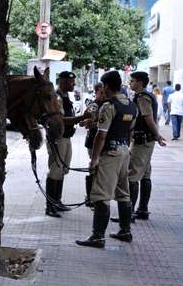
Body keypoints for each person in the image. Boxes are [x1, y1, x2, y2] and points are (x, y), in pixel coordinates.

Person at [76, 71, 137, 248]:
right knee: (123, 192)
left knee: (101, 194)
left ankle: (97, 237)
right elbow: (129, 131)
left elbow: (101, 136)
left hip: (110, 153)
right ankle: (125, 231)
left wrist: (94, 160)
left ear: (106, 86)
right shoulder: (132, 106)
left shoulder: (109, 106)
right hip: (125, 150)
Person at [122, 72, 166, 223]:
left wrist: (157, 135)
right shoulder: (149, 96)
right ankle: (142, 209)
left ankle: (130, 213)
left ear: (140, 83)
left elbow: (148, 118)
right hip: (147, 141)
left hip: (142, 142)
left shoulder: (142, 97)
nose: (130, 83)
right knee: (145, 175)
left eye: (132, 81)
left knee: (132, 175)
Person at [45, 71, 87, 218]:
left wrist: (80, 120)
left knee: (62, 169)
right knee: (55, 170)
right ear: (62, 82)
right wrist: (81, 117)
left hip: (66, 137)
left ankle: (57, 202)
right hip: (58, 138)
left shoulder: (65, 96)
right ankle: (50, 206)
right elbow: (60, 119)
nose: (73, 84)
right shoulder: (57, 97)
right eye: (71, 82)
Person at [80, 82, 105, 208]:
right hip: (94, 141)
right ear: (96, 92)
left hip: (104, 141)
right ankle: (91, 197)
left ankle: (96, 197)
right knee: (94, 168)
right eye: (101, 91)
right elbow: (85, 119)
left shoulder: (109, 103)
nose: (104, 93)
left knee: (100, 169)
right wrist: (87, 122)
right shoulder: (94, 105)